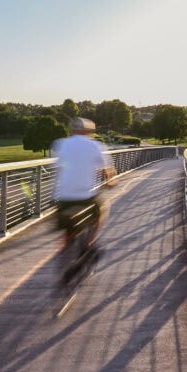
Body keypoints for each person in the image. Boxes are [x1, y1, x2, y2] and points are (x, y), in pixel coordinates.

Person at [52, 117, 115, 278]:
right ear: (89, 132)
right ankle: (90, 243)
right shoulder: (95, 145)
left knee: (69, 227)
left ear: (71, 130)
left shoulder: (60, 144)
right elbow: (106, 170)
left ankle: (66, 247)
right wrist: (110, 181)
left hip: (63, 197)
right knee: (102, 207)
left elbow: (59, 165)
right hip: (85, 196)